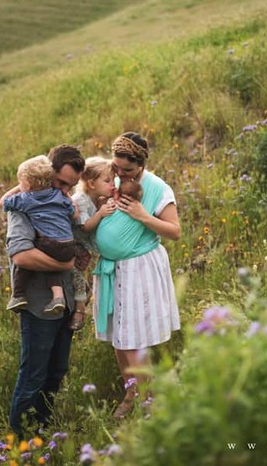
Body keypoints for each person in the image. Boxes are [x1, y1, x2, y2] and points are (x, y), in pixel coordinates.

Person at [92, 131, 181, 419]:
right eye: (116, 167)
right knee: (120, 336)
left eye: (126, 169)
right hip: (113, 269)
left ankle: (148, 399)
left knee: (133, 336)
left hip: (138, 267)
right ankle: (132, 391)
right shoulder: (113, 178)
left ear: (141, 165)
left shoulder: (157, 188)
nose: (119, 173)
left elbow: (174, 232)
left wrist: (142, 215)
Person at [4, 144, 85, 438]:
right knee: (33, 376)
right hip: (38, 305)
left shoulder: (60, 201)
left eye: (71, 186)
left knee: (56, 373)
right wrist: (64, 264)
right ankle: (19, 442)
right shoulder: (24, 204)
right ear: (48, 171)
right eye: (61, 183)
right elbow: (21, 256)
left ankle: (43, 431)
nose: (65, 191)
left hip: (63, 302)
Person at [2, 155, 78, 315]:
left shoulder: (25, 199)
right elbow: (75, 213)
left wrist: (20, 188)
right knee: (52, 257)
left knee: (36, 253)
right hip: (69, 245)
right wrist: (67, 197)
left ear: (28, 184)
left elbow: (3, 201)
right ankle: (58, 296)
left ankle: (19, 294)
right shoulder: (59, 196)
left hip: (50, 244)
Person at [69, 157, 117, 331]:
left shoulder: (96, 198)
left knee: (84, 272)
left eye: (113, 180)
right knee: (76, 274)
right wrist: (101, 213)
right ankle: (80, 307)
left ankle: (86, 297)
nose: (112, 184)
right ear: (91, 184)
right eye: (107, 180)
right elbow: (86, 226)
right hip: (74, 245)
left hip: (85, 246)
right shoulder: (81, 199)